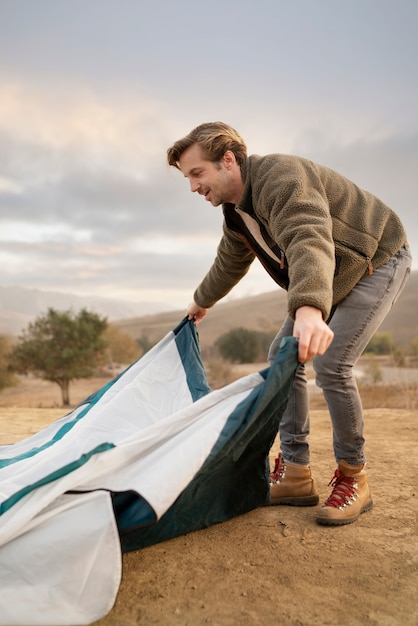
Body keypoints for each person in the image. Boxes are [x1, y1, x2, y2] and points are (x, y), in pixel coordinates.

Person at [166, 121, 411, 526]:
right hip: (331, 273)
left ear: (228, 160)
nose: (193, 187)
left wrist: (310, 308)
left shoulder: (280, 176)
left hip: (376, 259)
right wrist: (198, 302)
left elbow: (307, 234)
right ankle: (296, 472)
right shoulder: (236, 215)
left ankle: (354, 476)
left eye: (197, 173)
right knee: (283, 355)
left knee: (332, 363)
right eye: (188, 178)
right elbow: (228, 264)